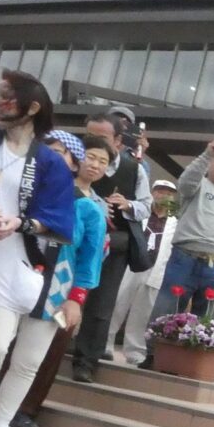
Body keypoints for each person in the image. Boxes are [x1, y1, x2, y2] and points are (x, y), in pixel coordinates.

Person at [0, 133, 108, 427]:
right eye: (49, 151)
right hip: (8, 276)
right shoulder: (22, 191)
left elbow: (90, 259)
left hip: (56, 288)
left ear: (74, 164)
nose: (53, 157)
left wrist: (77, 297)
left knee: (30, 360)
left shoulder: (89, 210)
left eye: (62, 153)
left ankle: (1, 421)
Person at [0, 70, 76, 427]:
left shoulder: (49, 163)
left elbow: (59, 220)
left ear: (32, 108)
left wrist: (19, 223)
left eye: (6, 96)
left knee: (1, 349)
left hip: (18, 270)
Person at [140, 136, 214, 368]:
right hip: (185, 257)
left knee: (210, 317)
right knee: (166, 308)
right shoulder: (196, 186)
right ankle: (153, 355)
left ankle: (197, 361)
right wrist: (207, 153)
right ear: (211, 163)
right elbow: (186, 180)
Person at [70, 112, 152, 382]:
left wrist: (128, 205)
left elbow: (147, 206)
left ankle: (86, 360)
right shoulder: (71, 161)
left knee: (101, 305)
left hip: (113, 244)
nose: (92, 144)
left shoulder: (134, 169)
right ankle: (57, 343)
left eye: (101, 138)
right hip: (70, 241)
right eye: (89, 137)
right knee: (60, 294)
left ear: (117, 140)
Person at [106, 179, 178, 364]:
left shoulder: (175, 222)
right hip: (133, 265)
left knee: (143, 312)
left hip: (155, 270)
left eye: (169, 193)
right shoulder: (140, 213)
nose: (164, 196)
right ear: (153, 193)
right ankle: (106, 342)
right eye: (161, 191)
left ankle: (135, 351)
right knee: (118, 303)